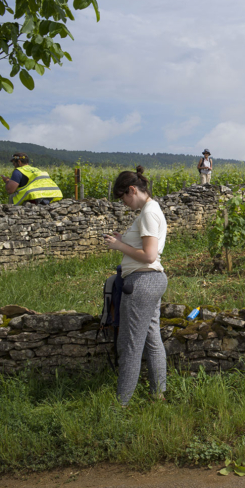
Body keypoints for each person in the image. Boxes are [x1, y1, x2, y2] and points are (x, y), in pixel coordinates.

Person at [103, 166, 168, 407]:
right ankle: (158, 394)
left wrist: (118, 247)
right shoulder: (150, 210)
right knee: (152, 339)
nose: (124, 204)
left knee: (130, 344)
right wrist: (123, 240)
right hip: (151, 281)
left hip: (142, 282)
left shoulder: (148, 213)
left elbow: (149, 255)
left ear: (132, 190)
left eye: (123, 198)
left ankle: (121, 403)